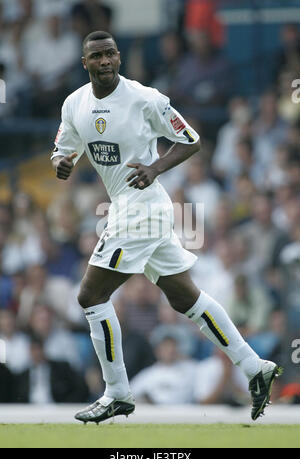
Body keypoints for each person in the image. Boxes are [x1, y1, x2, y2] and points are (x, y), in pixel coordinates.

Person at [51, 30, 282, 424]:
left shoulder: (145, 98)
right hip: (127, 206)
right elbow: (65, 148)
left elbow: (190, 140)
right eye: (97, 56)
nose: (105, 61)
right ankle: (254, 366)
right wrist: (62, 162)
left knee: (90, 296)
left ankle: (117, 392)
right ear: (84, 62)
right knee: (184, 298)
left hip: (142, 206)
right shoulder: (74, 103)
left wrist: (155, 167)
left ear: (119, 58)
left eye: (110, 54)